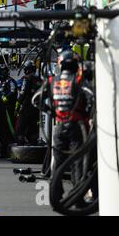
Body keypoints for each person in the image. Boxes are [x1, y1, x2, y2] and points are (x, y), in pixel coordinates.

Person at [36, 50, 93, 196]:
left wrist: (52, 112)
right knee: (77, 161)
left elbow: (36, 100)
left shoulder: (52, 81)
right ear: (75, 65)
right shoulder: (79, 80)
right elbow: (91, 96)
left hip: (59, 126)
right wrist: (86, 113)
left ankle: (55, 194)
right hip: (77, 126)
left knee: (58, 162)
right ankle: (77, 197)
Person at [15, 61, 42, 145]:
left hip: (26, 107)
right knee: (33, 129)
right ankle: (33, 146)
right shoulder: (40, 79)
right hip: (36, 108)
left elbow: (23, 92)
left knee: (20, 128)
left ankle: (20, 148)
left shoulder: (26, 78)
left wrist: (17, 105)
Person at [0, 64, 18, 158]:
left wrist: (6, 98)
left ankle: (11, 151)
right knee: (1, 131)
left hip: (8, 109)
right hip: (0, 110)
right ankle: (3, 152)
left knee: (9, 130)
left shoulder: (10, 81)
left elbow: (12, 91)